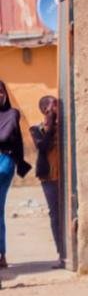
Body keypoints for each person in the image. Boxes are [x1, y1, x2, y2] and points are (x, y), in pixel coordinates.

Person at [30, 96, 65, 268]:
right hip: (49, 178)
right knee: (55, 214)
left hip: (65, 177)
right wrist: (50, 126)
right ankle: (61, 253)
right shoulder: (36, 129)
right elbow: (42, 146)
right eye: (54, 106)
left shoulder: (65, 127)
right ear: (45, 110)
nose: (57, 108)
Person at [0, 80, 31, 268]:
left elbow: (6, 136)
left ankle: (1, 254)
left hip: (3, 162)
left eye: (0, 91)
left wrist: (19, 163)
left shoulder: (12, 114)